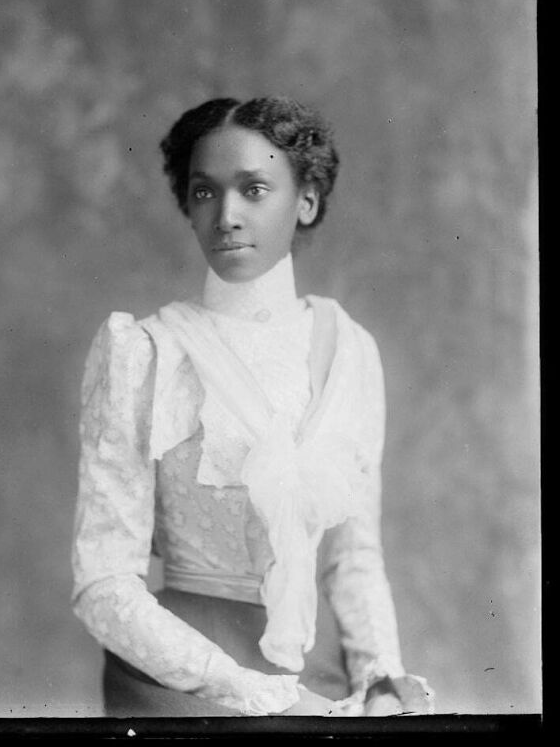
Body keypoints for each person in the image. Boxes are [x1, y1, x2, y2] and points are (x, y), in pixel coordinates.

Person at [71, 96, 434, 717]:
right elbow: (103, 583)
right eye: (206, 192)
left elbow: (353, 556)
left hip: (317, 677)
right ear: (187, 206)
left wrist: (379, 678)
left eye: (255, 189)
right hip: (178, 686)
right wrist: (244, 690)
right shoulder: (144, 353)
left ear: (307, 201)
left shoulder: (349, 350)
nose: (228, 215)